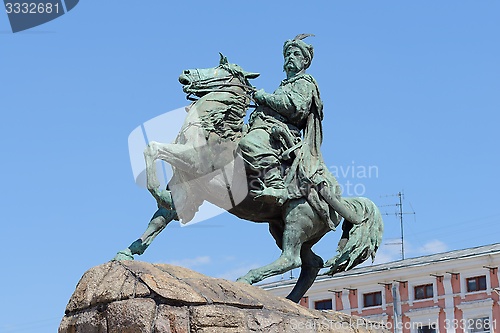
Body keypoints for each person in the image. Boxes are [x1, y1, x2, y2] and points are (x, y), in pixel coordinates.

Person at [239, 34, 325, 206]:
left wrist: (264, 97)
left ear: (305, 61)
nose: (290, 58)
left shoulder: (305, 82)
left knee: (249, 144)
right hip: (263, 125)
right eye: (287, 55)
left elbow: (295, 106)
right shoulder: (284, 85)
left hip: (283, 133)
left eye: (295, 55)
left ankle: (276, 185)